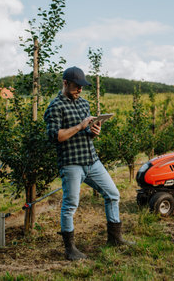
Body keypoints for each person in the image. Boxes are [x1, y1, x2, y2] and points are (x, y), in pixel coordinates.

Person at [44, 66, 134, 261]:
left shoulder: (84, 104)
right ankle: (70, 250)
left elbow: (85, 133)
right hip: (71, 164)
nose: (80, 90)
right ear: (65, 83)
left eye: (82, 87)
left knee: (113, 194)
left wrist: (92, 132)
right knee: (70, 205)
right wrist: (80, 126)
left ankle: (115, 238)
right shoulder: (55, 106)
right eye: (77, 87)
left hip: (92, 161)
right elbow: (56, 136)